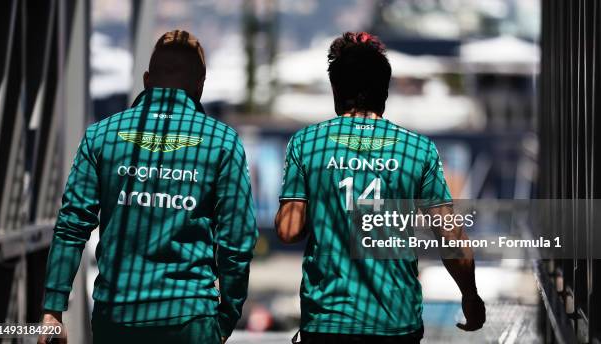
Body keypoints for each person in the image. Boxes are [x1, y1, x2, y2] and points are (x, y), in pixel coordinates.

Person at [38, 30, 258, 344]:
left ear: (146, 80)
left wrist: (53, 310)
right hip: (189, 316)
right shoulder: (222, 142)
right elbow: (237, 241)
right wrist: (227, 316)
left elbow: (71, 225)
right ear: (201, 85)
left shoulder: (102, 135)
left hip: (118, 316)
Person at [275, 32, 485, 344]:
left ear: (336, 89)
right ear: (384, 92)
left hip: (329, 321)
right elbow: (451, 236)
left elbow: (289, 230)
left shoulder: (307, 143)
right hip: (396, 323)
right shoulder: (418, 149)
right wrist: (470, 295)